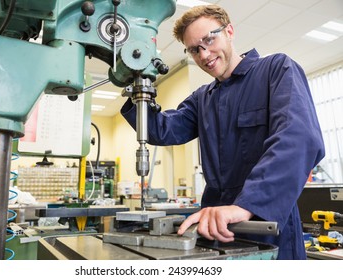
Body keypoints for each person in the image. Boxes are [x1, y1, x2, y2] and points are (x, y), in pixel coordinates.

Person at [120, 4, 325, 259]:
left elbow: (299, 138)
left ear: (229, 30)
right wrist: (136, 92)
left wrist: (246, 204)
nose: (204, 54)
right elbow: (162, 130)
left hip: (268, 223)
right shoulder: (202, 98)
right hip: (214, 227)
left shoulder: (276, 69)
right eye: (194, 49)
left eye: (209, 39)